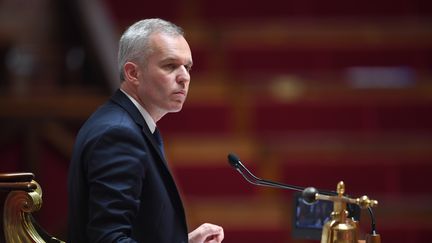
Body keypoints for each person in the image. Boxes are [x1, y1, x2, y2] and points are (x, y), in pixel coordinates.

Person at [67, 18, 224, 243]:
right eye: (170, 65)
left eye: (187, 67)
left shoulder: (127, 124)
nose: (184, 77)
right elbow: (109, 239)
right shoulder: (118, 134)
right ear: (133, 73)